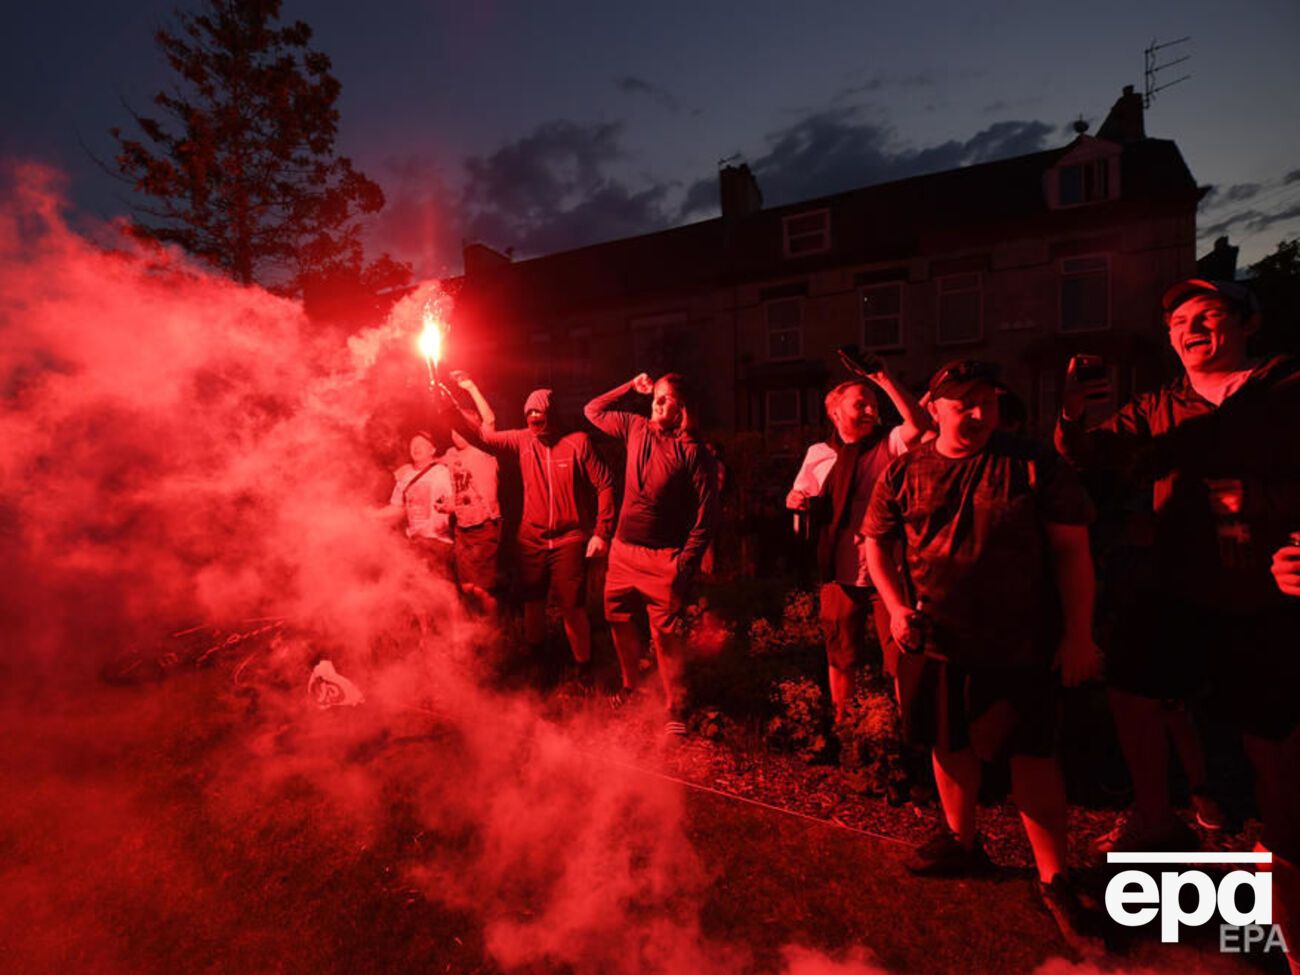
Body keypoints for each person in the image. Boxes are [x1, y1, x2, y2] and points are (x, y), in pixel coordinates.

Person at [1056, 278, 1300, 969]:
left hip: (1268, 590)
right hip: (1182, 582)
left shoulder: (1286, 388)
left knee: (1274, 747)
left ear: (1247, 324)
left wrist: (1270, 501)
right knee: (1130, 678)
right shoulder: (1162, 405)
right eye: (1179, 322)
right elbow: (1088, 458)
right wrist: (1072, 413)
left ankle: (1283, 903)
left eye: (1208, 315)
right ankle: (1157, 825)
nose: (1190, 329)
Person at [864, 359, 1105, 955]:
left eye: (988, 402)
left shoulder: (1031, 463)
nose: (977, 414)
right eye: (963, 402)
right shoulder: (905, 470)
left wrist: (1079, 635)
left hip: (1021, 641)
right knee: (949, 742)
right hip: (936, 639)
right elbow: (876, 540)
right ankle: (961, 842)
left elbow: (1073, 552)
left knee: (1032, 754)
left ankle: (1055, 878)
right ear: (934, 405)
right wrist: (896, 608)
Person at [786, 365, 929, 724]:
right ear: (835, 413)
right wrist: (795, 498)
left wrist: (883, 380)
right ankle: (844, 727)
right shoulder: (819, 453)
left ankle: (906, 730)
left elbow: (920, 426)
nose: (870, 410)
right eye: (860, 404)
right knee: (840, 653)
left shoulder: (889, 443)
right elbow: (800, 492)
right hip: (840, 567)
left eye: (873, 404)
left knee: (901, 653)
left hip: (890, 569)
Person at [452, 372, 616, 678]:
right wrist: (463, 394)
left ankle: (584, 669)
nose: (533, 420)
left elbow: (605, 484)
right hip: (531, 538)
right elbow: (484, 437)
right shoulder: (522, 441)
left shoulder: (578, 443)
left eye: (538, 414)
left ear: (552, 414)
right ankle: (538, 664)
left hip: (569, 538)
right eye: (528, 415)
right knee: (533, 601)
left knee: (572, 606)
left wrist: (602, 532)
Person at [584, 372, 719, 738]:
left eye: (667, 398)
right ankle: (632, 687)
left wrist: (685, 561)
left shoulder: (693, 451)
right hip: (624, 551)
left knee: (664, 634)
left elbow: (708, 512)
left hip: (663, 558)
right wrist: (629, 386)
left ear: (682, 407)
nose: (657, 402)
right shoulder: (635, 427)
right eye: (656, 396)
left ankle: (675, 704)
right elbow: (592, 410)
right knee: (618, 618)